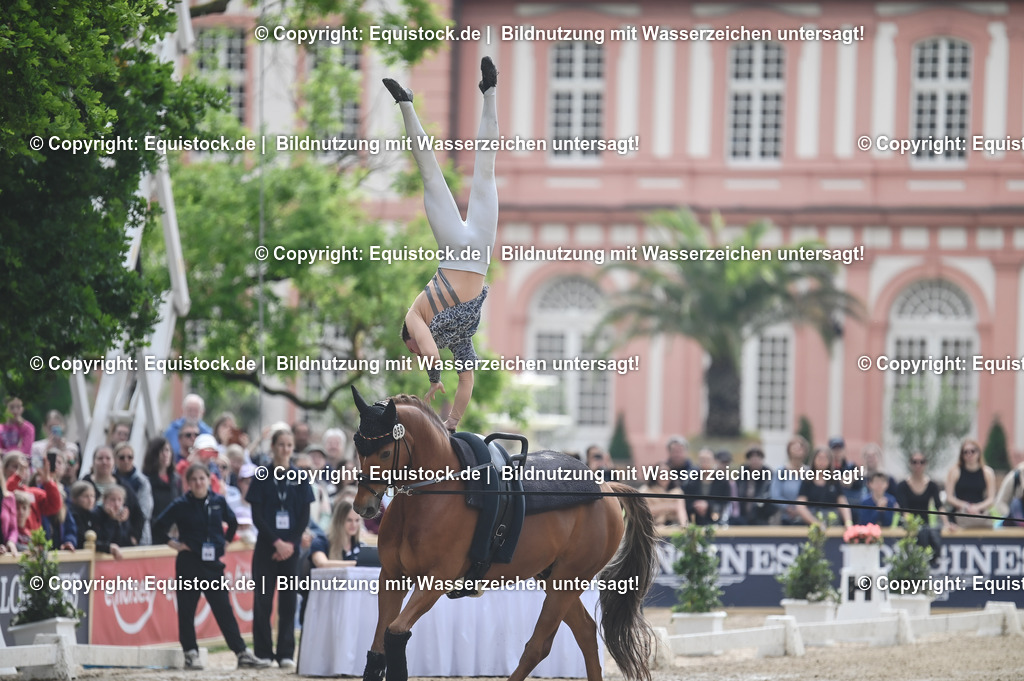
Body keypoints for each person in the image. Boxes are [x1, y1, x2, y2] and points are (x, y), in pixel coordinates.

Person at [386, 57, 499, 432]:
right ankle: (490, 91)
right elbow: (467, 380)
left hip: (454, 250)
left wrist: (434, 377)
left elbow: (429, 349)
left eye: (411, 348)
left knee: (431, 176)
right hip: (479, 253)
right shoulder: (460, 337)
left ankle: (405, 103)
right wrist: (452, 422)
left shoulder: (413, 318)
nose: (415, 351)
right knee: (486, 169)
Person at [153, 464, 269, 670]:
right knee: (187, 609)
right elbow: (158, 526)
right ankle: (191, 652)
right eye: (194, 479)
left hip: (212, 565)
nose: (198, 483)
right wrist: (176, 545)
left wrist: (224, 543)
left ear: (209, 480)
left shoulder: (217, 501)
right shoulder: (181, 504)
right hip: (189, 562)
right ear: (188, 483)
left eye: (202, 478)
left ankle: (241, 652)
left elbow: (232, 522)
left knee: (223, 609)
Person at [245, 428, 313, 669]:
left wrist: (290, 544)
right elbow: (257, 515)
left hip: (291, 550)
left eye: (289, 445)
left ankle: (285, 652)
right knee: (263, 601)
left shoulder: (301, 477)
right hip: (266, 547)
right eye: (281, 444)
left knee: (288, 602)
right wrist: (276, 542)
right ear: (273, 447)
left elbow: (304, 516)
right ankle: (263, 652)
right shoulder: (262, 475)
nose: (285, 449)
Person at [83, 446, 144, 545]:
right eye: (100, 458)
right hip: (94, 542)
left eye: (108, 458)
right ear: (93, 461)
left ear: (113, 461)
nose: (104, 462)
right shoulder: (84, 484)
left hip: (122, 543)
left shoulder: (124, 486)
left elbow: (138, 515)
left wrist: (134, 537)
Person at [895, 451, 948, 561]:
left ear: (925, 464)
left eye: (921, 462)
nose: (918, 465)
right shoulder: (902, 486)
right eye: (914, 462)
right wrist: (912, 526)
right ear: (910, 464)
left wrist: (947, 523)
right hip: (906, 529)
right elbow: (904, 510)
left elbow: (939, 506)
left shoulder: (932, 485)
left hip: (925, 527)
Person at [4, 451, 62, 534]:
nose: (21, 470)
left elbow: (54, 506)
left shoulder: (33, 492)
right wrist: (17, 476)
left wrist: (47, 480)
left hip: (32, 541)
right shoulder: (5, 489)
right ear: (4, 469)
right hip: (11, 540)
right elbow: (7, 492)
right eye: (15, 467)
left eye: (25, 467)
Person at [945, 438, 996, 529]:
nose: (969, 454)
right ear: (962, 455)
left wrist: (977, 507)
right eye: (966, 452)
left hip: (980, 516)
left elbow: (991, 499)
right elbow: (949, 497)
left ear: (979, 452)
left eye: (972, 451)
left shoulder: (987, 472)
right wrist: (966, 506)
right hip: (959, 515)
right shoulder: (955, 471)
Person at [795, 447, 852, 527]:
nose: (822, 461)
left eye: (825, 458)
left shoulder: (834, 480)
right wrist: (815, 523)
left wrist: (848, 522)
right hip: (811, 524)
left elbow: (843, 503)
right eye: (819, 458)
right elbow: (800, 505)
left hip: (832, 524)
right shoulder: (807, 480)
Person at [143, 437, 182, 545]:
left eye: (167, 450)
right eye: (161, 451)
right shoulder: (145, 480)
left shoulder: (176, 480)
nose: (165, 454)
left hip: (174, 534)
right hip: (154, 533)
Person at [114, 442, 153, 545]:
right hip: (115, 531)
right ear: (115, 459)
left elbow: (145, 510)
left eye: (129, 457)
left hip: (140, 534)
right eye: (122, 457)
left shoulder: (142, 482)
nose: (126, 461)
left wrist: (134, 535)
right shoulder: (112, 480)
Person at [682, 449, 732, 525]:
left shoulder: (722, 481)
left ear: (714, 461)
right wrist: (696, 505)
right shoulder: (691, 480)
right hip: (694, 521)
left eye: (707, 459)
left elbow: (725, 504)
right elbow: (686, 501)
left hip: (716, 522)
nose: (705, 462)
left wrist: (709, 505)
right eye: (702, 460)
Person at [771, 436, 810, 525]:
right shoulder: (781, 471)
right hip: (785, 519)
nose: (798, 450)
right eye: (794, 447)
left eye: (800, 447)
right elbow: (775, 495)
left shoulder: (810, 472)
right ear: (789, 451)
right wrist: (788, 508)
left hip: (807, 519)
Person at [165, 394, 213, 460]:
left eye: (196, 410)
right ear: (182, 410)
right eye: (189, 410)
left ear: (202, 412)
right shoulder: (171, 430)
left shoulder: (208, 433)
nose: (192, 414)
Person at [91, 484, 133, 559]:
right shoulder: (96, 514)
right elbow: (104, 539)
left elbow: (125, 541)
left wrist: (120, 522)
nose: (117, 504)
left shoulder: (123, 516)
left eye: (119, 500)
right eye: (113, 500)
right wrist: (111, 520)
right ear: (104, 500)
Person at [735, 447, 775, 525]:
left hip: (762, 518)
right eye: (752, 458)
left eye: (758, 458)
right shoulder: (742, 474)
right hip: (742, 517)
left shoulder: (768, 476)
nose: (755, 461)